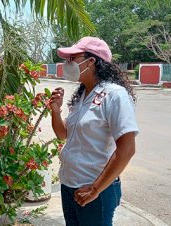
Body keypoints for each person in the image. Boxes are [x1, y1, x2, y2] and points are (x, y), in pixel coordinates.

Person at [50, 36, 139, 226]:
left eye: (73, 58)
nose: (68, 63)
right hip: (69, 184)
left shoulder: (115, 95)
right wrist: (55, 112)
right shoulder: (82, 94)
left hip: (94, 189)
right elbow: (63, 135)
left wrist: (95, 189)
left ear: (91, 61)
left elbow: (127, 149)